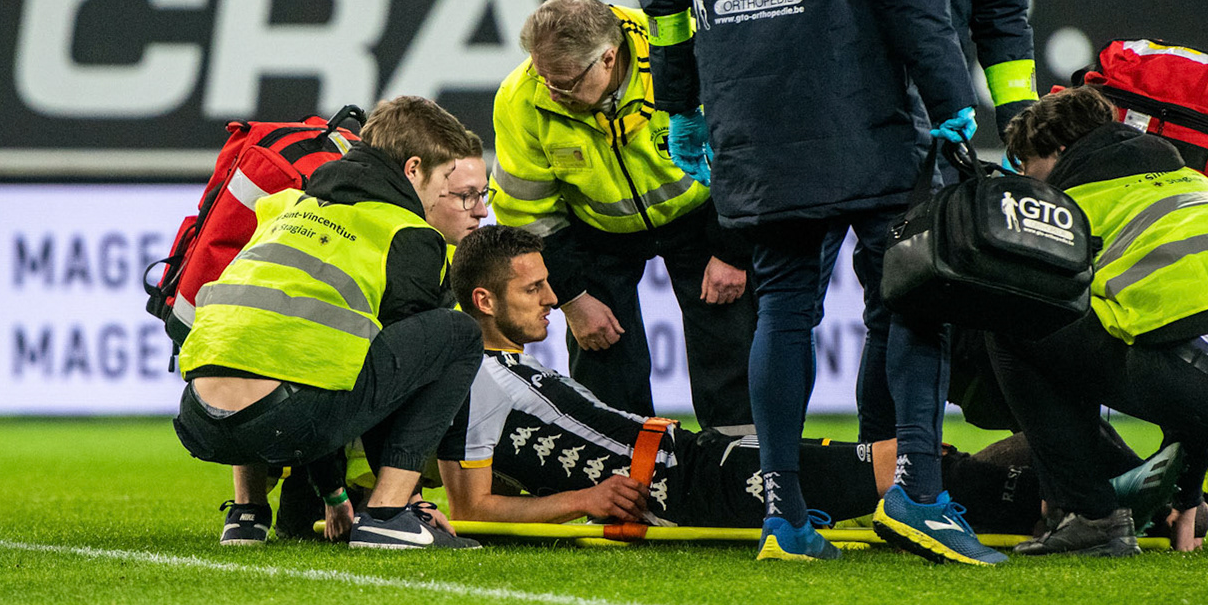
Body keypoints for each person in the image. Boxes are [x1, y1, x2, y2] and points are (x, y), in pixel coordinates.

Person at [636, 0, 997, 566]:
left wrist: (683, 106)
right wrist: (952, 95)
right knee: (908, 298)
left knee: (786, 305)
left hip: (754, 118)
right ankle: (915, 494)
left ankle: (786, 522)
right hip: (863, 111)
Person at [439, 226, 1052, 538]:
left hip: (703, 458)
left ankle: (1090, 489)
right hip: (694, 488)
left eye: (547, 283)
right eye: (534, 289)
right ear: (484, 299)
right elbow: (469, 506)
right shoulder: (473, 379)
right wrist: (580, 501)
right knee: (914, 468)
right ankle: (1108, 496)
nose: (552, 299)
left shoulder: (507, 366)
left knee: (925, 462)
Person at [993, 86, 1208, 558]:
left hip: (1206, 374)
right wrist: (1189, 491)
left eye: (1026, 165)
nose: (1025, 180)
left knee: (1014, 320)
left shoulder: (1068, 206)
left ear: (1060, 150)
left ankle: (1091, 516)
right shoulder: (1194, 181)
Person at [174, 95, 490, 551]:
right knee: (458, 334)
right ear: (413, 169)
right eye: (444, 179)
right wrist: (408, 498)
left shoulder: (285, 207)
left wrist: (334, 493)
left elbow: (307, 354)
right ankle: (388, 517)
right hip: (283, 421)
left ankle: (247, 515)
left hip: (198, 419)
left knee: (262, 341)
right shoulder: (408, 235)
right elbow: (397, 389)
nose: (444, 193)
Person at [846, 0, 1035, 434]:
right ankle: (891, 473)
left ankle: (889, 471)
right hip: (845, 120)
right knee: (880, 306)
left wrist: (1020, 129)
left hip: (930, 131)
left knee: (902, 305)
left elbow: (1001, 16)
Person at [491, 0, 756, 430]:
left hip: (704, 219)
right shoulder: (520, 99)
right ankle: (624, 488)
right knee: (603, 364)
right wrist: (574, 300)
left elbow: (747, 149)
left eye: (565, 83)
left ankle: (739, 482)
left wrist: (733, 250)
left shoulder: (686, 54)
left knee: (731, 358)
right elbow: (526, 215)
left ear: (608, 59)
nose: (553, 94)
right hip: (594, 234)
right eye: (543, 78)